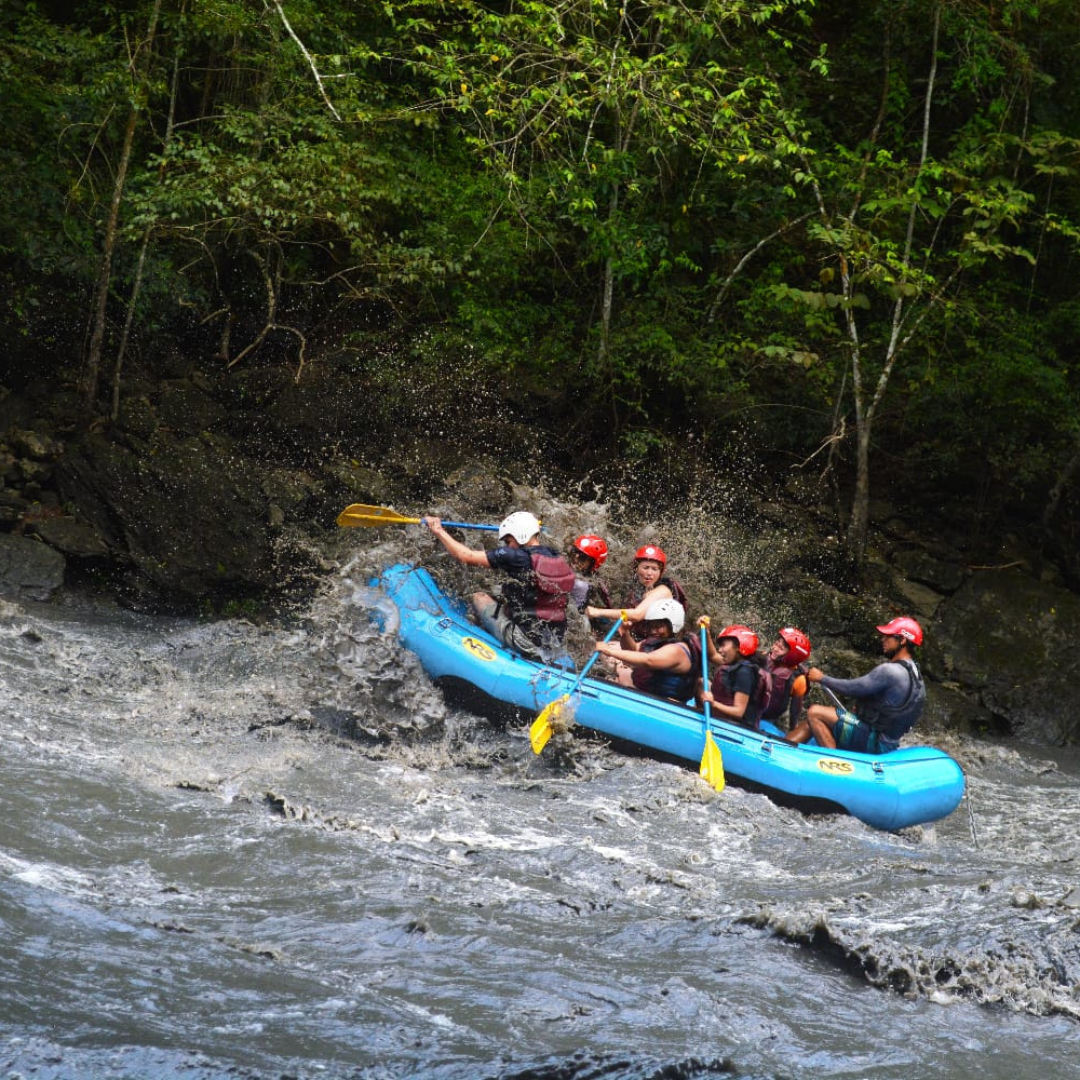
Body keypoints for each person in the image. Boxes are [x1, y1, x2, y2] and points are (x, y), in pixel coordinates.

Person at [423, 511, 575, 662]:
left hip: (524, 641)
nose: (508, 546)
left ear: (520, 536)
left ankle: (481, 640)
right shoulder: (555, 555)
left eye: (508, 541)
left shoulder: (515, 557)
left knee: (479, 597)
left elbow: (465, 556)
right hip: (554, 640)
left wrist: (438, 530)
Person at [786, 616, 926, 753]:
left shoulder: (890, 671)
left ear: (902, 640)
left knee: (814, 712)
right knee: (816, 721)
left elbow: (852, 688)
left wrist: (822, 678)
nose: (883, 639)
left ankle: (834, 763)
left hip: (874, 740)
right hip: (889, 741)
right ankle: (781, 747)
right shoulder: (915, 675)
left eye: (888, 636)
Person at [593, 598, 699, 703]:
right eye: (652, 626)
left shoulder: (677, 650)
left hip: (666, 704)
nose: (653, 631)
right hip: (649, 693)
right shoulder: (659, 641)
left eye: (659, 626)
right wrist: (625, 634)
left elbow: (648, 660)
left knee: (612, 668)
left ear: (673, 625)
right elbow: (633, 650)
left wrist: (609, 651)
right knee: (612, 669)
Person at [586, 544, 688, 641]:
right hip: (641, 640)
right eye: (645, 568)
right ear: (636, 568)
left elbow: (637, 615)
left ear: (660, 572)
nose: (649, 573)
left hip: (660, 645)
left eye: (654, 569)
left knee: (608, 655)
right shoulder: (635, 588)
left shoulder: (663, 591)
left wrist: (597, 612)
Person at [697, 622, 770, 731]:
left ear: (738, 647)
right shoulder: (736, 662)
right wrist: (706, 631)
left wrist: (713, 703)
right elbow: (712, 655)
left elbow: (738, 712)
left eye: (724, 645)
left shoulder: (745, 673)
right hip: (725, 719)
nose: (720, 650)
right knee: (700, 682)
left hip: (738, 729)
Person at [760, 626, 812, 731]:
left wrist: (792, 730)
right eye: (776, 644)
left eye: (781, 648)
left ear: (793, 655)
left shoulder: (799, 679)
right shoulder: (764, 656)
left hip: (768, 718)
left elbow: (795, 710)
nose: (774, 649)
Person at [567, 534, 613, 634]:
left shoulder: (581, 584)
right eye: (574, 552)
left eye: (582, 557)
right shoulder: (593, 578)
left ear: (592, 563)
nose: (576, 558)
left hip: (574, 622)